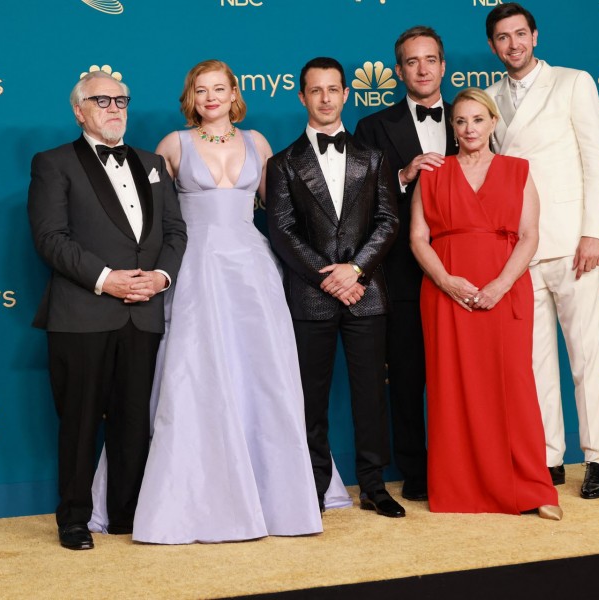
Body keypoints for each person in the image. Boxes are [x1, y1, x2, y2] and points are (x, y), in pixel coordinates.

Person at [93, 60, 327, 544]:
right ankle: (185, 499)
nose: (211, 97)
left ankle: (274, 499)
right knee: (188, 374)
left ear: (234, 92)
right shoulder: (172, 146)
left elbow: (282, 216)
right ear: (191, 97)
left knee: (261, 375)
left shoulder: (258, 143)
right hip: (193, 269)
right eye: (202, 90)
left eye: (219, 89)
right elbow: (149, 221)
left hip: (251, 270)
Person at [27, 71, 187, 550]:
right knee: (78, 423)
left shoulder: (152, 162)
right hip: (82, 314)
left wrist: (160, 278)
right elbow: (50, 238)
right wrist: (106, 279)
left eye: (122, 100)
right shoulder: (53, 163)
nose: (115, 107)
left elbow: (176, 232)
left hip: (143, 312)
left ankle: (127, 514)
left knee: (134, 420)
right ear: (79, 111)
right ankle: (74, 519)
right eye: (102, 100)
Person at [410, 88, 560, 519]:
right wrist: (445, 280)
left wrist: (499, 284)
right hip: (446, 292)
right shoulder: (434, 174)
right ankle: (458, 489)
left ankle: (532, 488)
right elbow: (418, 238)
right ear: (451, 127)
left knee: (513, 387)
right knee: (452, 389)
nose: (469, 128)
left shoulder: (517, 171)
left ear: (493, 123)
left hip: (504, 289)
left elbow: (529, 235)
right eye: (460, 121)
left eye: (478, 119)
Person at [485, 2, 599, 499]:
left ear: (535, 37)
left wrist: (593, 232)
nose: (513, 44)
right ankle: (548, 457)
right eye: (502, 37)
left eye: (520, 34)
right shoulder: (489, 98)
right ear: (494, 45)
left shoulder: (573, 82)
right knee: (534, 361)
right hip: (518, 247)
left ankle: (597, 458)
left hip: (570, 242)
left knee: (586, 355)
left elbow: (597, 160)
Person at [267, 57, 405, 518]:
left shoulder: (375, 157)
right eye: (315, 90)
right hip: (311, 296)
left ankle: (373, 486)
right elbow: (282, 230)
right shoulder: (282, 163)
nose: (325, 99)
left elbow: (388, 220)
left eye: (333, 89)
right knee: (310, 399)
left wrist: (357, 271)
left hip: (366, 294)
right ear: (302, 97)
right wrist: (331, 276)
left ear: (347, 94)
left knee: (371, 395)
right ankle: (313, 486)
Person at [353, 25, 457, 502]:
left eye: (430, 59)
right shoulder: (374, 127)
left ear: (442, 65)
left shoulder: (470, 117)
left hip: (464, 266)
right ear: (398, 71)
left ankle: (464, 465)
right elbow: (358, 201)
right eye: (412, 62)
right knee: (409, 376)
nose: (422, 69)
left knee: (461, 374)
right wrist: (402, 174)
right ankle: (416, 472)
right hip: (399, 272)